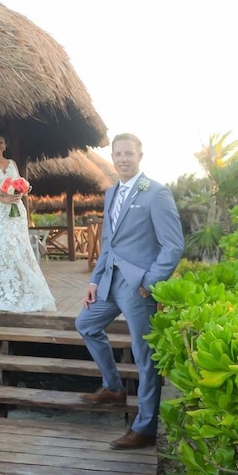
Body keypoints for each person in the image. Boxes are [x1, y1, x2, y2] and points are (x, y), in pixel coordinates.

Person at [75, 133, 184, 450]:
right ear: (112, 157)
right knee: (86, 324)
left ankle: (145, 428)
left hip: (138, 289)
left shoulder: (157, 194)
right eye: (117, 154)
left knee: (144, 357)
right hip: (109, 280)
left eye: (128, 153)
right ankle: (113, 386)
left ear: (140, 155)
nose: (122, 159)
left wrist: (151, 283)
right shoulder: (111, 193)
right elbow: (109, 243)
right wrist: (94, 280)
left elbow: (173, 245)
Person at [0, 133, 56, 313]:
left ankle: (24, 291)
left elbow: (20, 184)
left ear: (5, 146)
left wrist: (19, 193)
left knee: (22, 248)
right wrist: (2, 198)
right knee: (6, 249)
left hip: (16, 210)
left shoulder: (12, 163)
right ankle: (6, 293)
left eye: (0, 143)